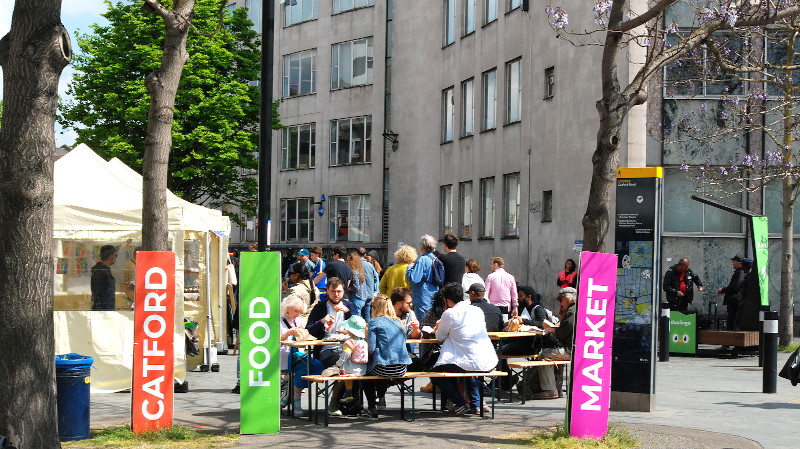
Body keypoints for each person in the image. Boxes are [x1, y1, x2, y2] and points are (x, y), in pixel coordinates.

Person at [431, 282, 498, 416]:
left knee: (435, 373)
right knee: (467, 372)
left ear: (448, 301)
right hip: (487, 358)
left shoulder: (450, 313)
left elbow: (440, 337)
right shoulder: (477, 310)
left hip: (467, 360)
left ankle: (460, 403)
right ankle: (476, 404)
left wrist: (440, 326)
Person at [305, 277, 355, 416]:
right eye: (333, 291)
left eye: (339, 291)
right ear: (327, 291)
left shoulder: (348, 306)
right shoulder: (320, 307)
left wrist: (348, 312)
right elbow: (309, 329)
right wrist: (321, 321)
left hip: (347, 346)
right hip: (326, 348)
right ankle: (334, 402)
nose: (336, 294)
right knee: (345, 364)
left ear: (343, 291)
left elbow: (360, 326)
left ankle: (354, 402)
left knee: (358, 362)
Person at [362, 295, 412, 419]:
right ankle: (381, 397)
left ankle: (372, 407)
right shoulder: (398, 322)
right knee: (379, 368)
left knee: (364, 374)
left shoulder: (374, 322)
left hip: (384, 368)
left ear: (374, 308)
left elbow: (371, 349)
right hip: (402, 367)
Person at [279, 294, 324, 417]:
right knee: (305, 365)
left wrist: (305, 336)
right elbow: (275, 339)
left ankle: (292, 393)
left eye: (300, 312)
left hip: (295, 353)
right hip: (283, 355)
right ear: (287, 308)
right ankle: (296, 398)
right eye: (296, 311)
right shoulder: (279, 321)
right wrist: (290, 332)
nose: (298, 314)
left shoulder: (297, 320)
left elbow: (301, 338)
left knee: (318, 366)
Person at [536, 287, 577, 399]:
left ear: (568, 298)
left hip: (570, 350)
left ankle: (550, 389)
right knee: (553, 355)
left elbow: (564, 332)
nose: (560, 302)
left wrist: (552, 330)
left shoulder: (572, 312)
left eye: (561, 300)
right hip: (573, 348)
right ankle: (557, 388)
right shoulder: (573, 310)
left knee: (544, 355)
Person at [406, 234, 441, 318]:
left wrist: (409, 268)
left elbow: (414, 278)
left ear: (423, 246)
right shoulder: (434, 258)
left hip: (422, 294)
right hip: (433, 291)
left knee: (422, 321)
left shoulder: (422, 260)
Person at [717, 255, 746, 331]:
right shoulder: (738, 272)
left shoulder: (740, 272)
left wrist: (723, 290)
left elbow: (735, 286)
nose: (732, 264)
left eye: (733, 262)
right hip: (734, 300)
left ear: (737, 262)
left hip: (735, 301)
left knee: (732, 320)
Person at [91, 244, 118, 310]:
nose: (116, 258)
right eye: (115, 255)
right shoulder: (100, 272)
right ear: (111, 256)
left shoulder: (105, 270)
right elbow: (98, 294)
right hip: (103, 311)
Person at [355, 248, 380, 320]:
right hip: (369, 294)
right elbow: (376, 279)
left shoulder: (354, 265)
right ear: (365, 255)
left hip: (358, 295)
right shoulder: (370, 265)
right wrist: (375, 291)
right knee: (367, 316)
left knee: (358, 318)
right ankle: (368, 330)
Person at [740, 258, 760, 331]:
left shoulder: (750, 277)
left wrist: (744, 300)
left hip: (748, 302)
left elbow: (748, 290)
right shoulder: (750, 276)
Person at [347, 251, 369, 318]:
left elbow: (356, 287)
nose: (347, 262)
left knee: (356, 320)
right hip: (363, 298)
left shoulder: (354, 272)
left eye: (348, 260)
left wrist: (348, 288)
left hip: (356, 298)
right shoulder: (360, 271)